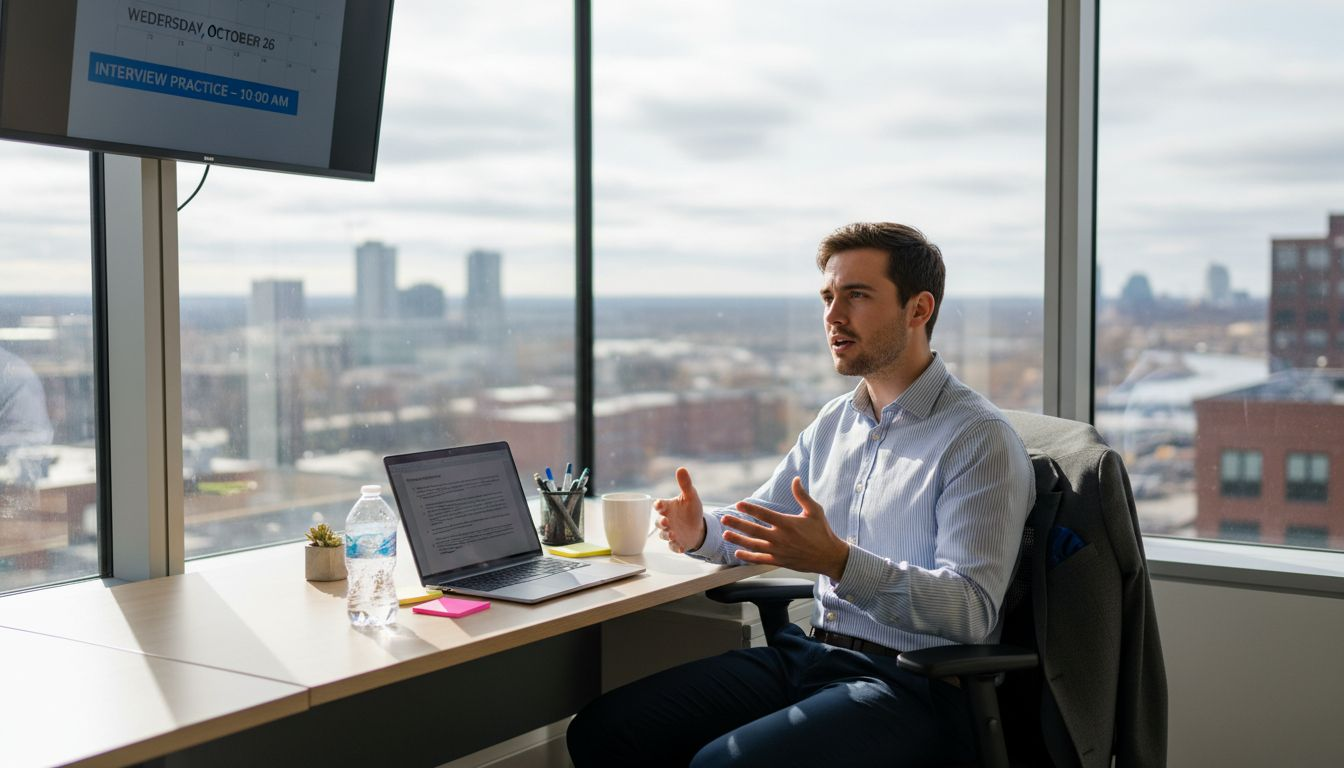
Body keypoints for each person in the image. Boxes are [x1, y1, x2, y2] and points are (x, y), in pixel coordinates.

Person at [567, 222, 1035, 767]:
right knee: (605, 730)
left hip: (915, 687)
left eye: (857, 296)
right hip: (812, 655)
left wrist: (838, 562)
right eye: (828, 297)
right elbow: (763, 523)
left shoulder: (978, 438)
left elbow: (971, 611)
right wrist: (700, 531)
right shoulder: (836, 422)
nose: (833, 316)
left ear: (918, 309)